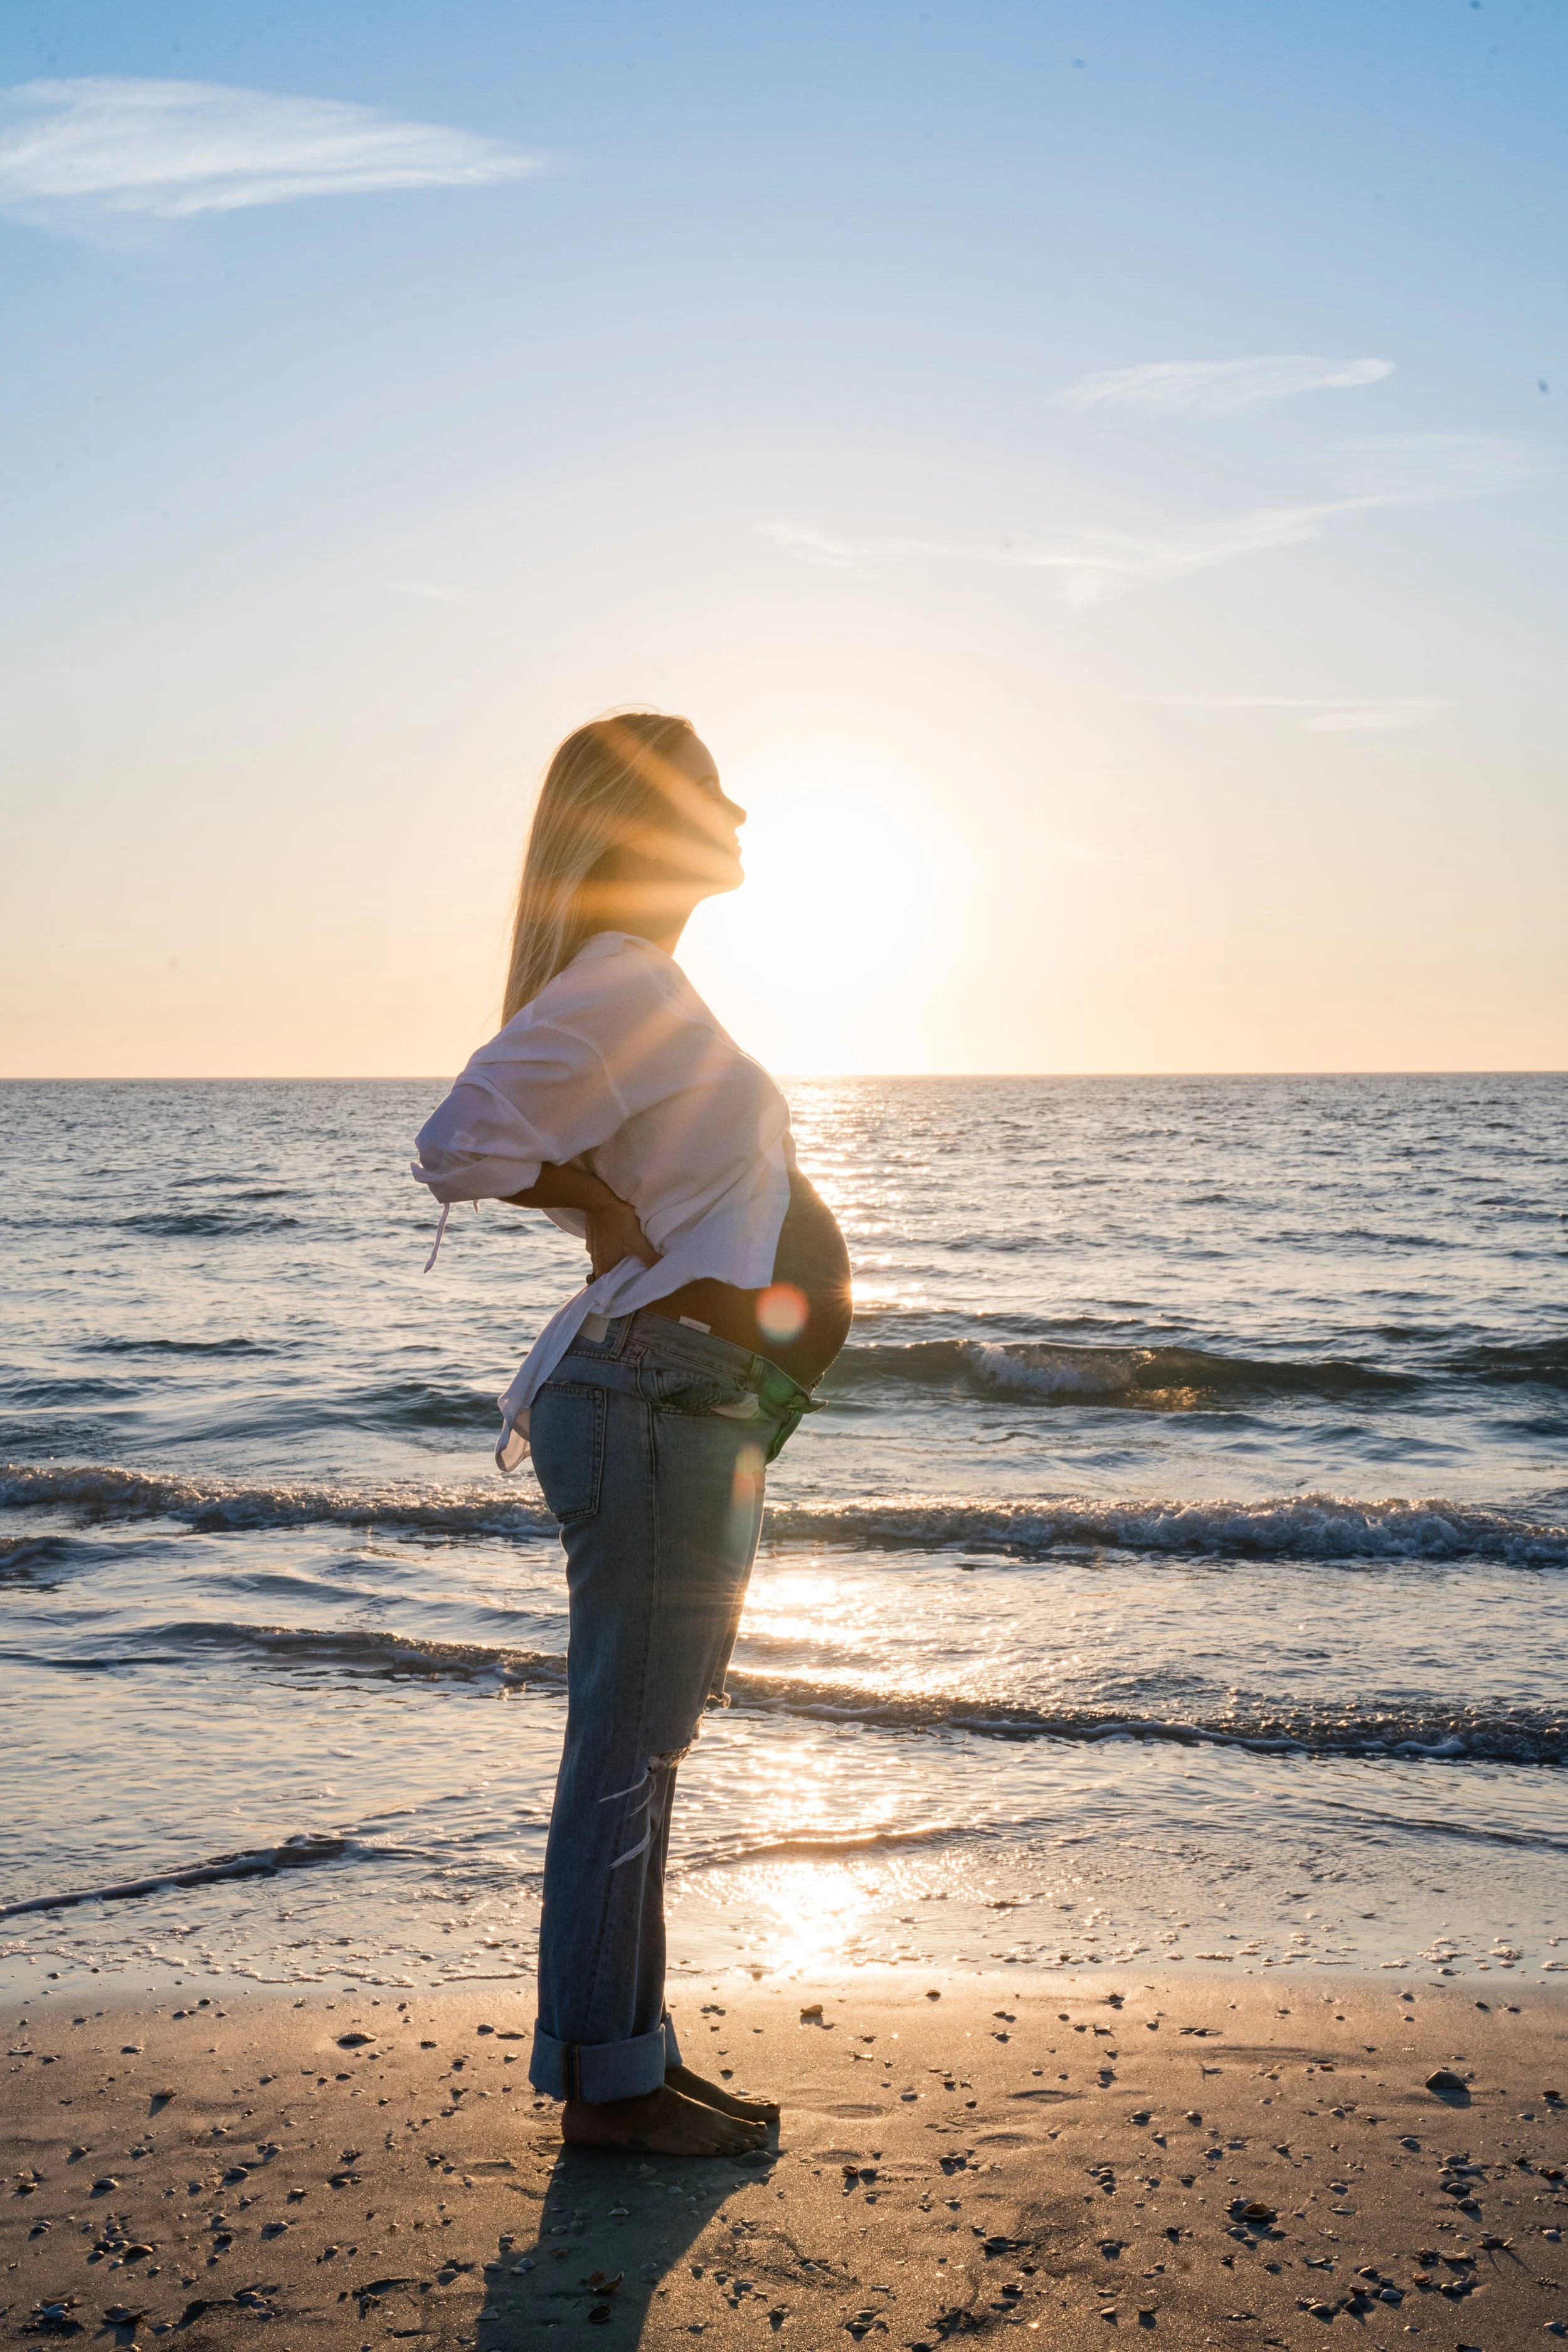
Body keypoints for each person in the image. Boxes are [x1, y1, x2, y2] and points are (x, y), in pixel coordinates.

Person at [410, 712, 852, 2156]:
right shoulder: (623, 986)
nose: (739, 810)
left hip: (686, 1400)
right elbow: (457, 1137)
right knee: (622, 1751)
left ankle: (628, 2056)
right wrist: (588, 1211)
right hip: (651, 1394)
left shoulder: (650, 989)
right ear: (641, 821)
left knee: (642, 1752)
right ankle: (609, 2083)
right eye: (707, 790)